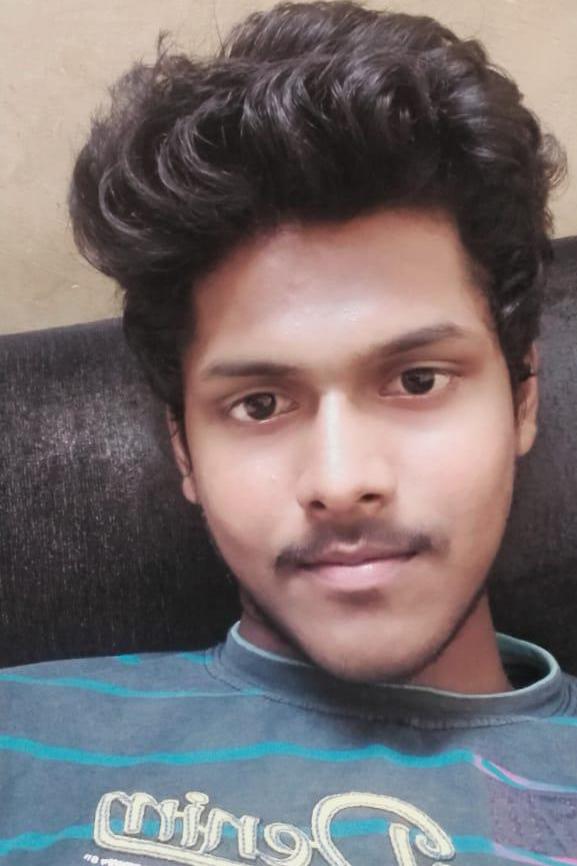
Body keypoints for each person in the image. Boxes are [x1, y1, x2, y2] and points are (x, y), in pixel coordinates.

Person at [2, 2, 576, 863]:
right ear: (182, 448)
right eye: (260, 404)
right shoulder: (18, 730)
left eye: (417, 380)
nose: (340, 482)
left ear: (521, 397)